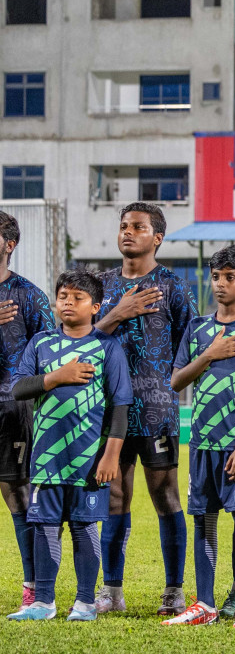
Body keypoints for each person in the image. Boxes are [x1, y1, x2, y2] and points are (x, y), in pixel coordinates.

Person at [6, 271, 131, 622]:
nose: (68, 303)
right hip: (46, 456)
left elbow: (120, 406)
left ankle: (85, 603)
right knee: (44, 525)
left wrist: (110, 455)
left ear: (95, 306)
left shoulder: (107, 347)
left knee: (83, 526)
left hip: (89, 459)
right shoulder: (40, 343)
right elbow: (18, 389)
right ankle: (43, 602)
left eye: (77, 298)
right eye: (62, 296)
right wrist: (56, 377)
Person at [165, 245, 235, 630]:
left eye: (230, 278)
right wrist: (209, 354)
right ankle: (205, 604)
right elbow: (177, 380)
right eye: (216, 277)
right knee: (203, 521)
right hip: (202, 444)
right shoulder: (197, 330)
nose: (221, 284)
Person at [93, 202, 193, 616]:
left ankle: (174, 590)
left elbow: (190, 348)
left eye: (138, 226)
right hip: (109, 410)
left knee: (165, 495)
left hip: (157, 411)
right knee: (114, 495)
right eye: (123, 226)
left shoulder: (172, 286)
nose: (128, 232)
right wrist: (117, 314)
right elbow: (81, 341)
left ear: (158, 237)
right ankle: (111, 591)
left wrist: (169, 390)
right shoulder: (99, 287)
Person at [0, 211, 54, 610]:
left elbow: (52, 352)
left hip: (11, 409)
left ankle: (33, 587)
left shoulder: (28, 296)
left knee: (18, 496)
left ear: (9, 244)